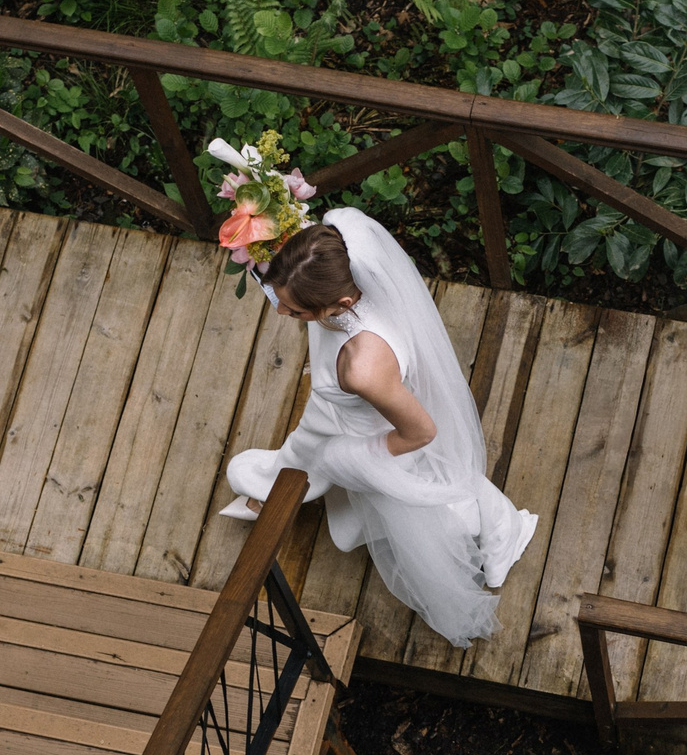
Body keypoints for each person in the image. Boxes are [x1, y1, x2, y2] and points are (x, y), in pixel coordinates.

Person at [220, 209, 537, 647]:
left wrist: (352, 458)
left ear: (340, 306)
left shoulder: (363, 369)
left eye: (293, 311)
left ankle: (479, 536)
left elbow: (420, 433)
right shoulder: (337, 256)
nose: (281, 313)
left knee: (431, 509)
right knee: (308, 451)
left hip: (374, 431)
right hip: (341, 413)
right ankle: (278, 489)